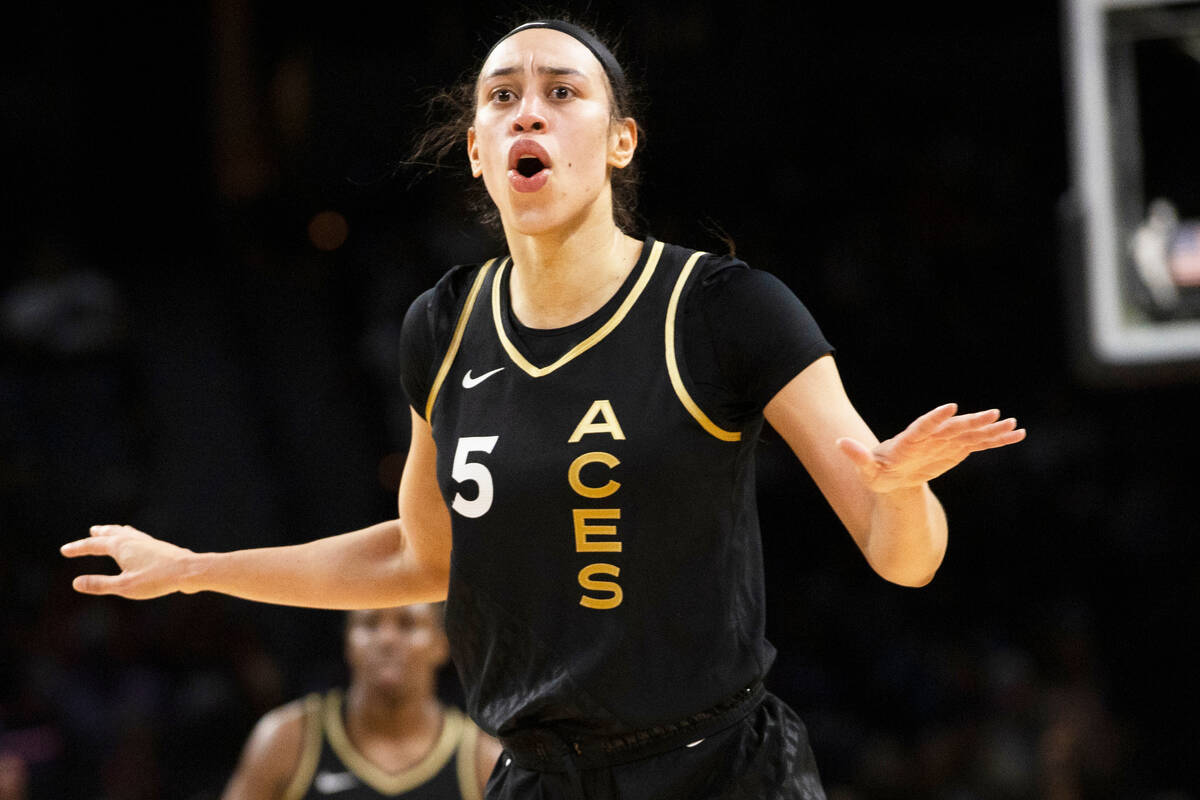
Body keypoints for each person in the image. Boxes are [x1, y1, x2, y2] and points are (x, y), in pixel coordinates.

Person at [62, 18, 1026, 799]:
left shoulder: (724, 309)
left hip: (721, 770)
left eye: (563, 93)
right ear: (478, 152)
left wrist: (898, 491)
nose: (531, 114)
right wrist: (196, 569)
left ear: (618, 142)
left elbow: (906, 558)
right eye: (503, 98)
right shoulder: (441, 327)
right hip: (535, 775)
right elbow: (419, 557)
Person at [221, 604, 501, 800]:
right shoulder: (286, 739)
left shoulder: (483, 758)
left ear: (443, 644)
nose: (387, 639)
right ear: (348, 642)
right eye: (370, 623)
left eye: (407, 624)